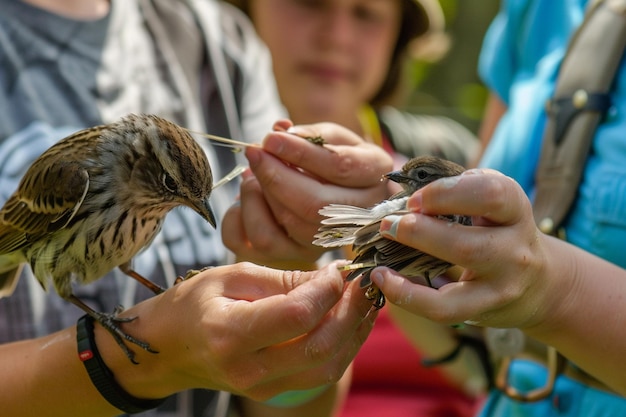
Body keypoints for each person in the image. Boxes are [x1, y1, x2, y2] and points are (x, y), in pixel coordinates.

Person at [0, 0, 392, 416]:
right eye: (172, 187)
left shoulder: (219, 40)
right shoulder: (74, 177)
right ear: (139, 165)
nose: (184, 205)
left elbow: (290, 405)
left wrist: (287, 251)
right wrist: (117, 355)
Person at [221, 0, 484, 415]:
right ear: (243, 11)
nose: (336, 36)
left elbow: (516, 365)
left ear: (400, 33)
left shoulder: (452, 158)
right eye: (310, 4)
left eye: (366, 13)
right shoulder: (201, 184)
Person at [365, 0, 626, 415]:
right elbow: (473, 275)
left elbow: (515, 274)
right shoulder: (538, 10)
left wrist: (554, 290)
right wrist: (374, 224)